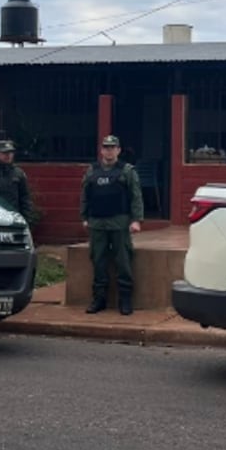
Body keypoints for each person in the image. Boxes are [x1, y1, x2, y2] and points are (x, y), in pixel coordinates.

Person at [80, 134, 143, 315]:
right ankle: (99, 299)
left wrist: (136, 220)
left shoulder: (127, 171)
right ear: (101, 151)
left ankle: (125, 300)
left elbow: (136, 197)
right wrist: (84, 217)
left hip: (119, 222)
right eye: (106, 148)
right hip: (97, 223)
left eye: (112, 148)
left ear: (118, 150)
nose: (109, 151)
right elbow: (85, 195)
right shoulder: (92, 171)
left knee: (123, 262)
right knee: (98, 261)